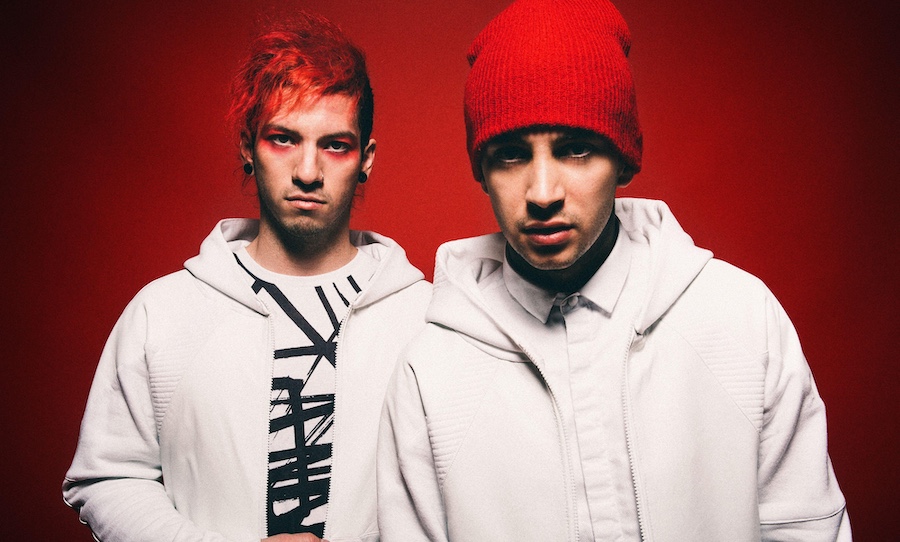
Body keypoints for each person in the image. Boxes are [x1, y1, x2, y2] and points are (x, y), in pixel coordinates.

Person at [377, 0, 850, 540]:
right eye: (510, 154)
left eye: (576, 149)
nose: (543, 193)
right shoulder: (430, 371)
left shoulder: (742, 320)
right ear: (481, 171)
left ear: (624, 158)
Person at [63, 11, 430, 542]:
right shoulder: (162, 312)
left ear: (366, 158)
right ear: (246, 147)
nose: (308, 171)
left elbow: (462, 497)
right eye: (283, 139)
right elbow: (110, 477)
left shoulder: (424, 320)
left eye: (335, 144)